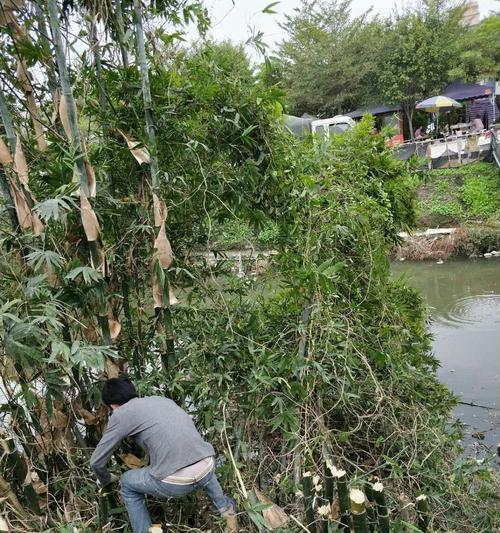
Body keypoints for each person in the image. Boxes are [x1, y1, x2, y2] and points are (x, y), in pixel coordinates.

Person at [90, 377, 237, 533]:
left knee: (127, 483)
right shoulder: (162, 400)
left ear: (113, 406)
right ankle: (225, 510)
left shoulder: (120, 415)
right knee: (199, 459)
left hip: (176, 482)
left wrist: (106, 480)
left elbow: (96, 462)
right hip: (207, 466)